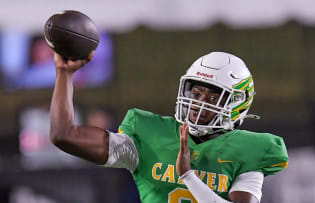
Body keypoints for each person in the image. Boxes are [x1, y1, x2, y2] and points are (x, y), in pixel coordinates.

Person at [50, 51, 288, 203]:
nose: (198, 103)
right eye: (196, 93)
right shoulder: (149, 135)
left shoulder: (248, 150)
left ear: (237, 103)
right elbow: (64, 135)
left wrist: (188, 176)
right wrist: (64, 74)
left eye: (212, 97)